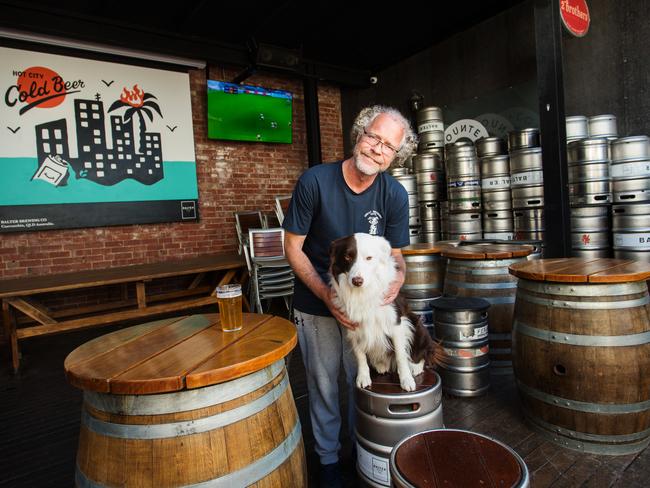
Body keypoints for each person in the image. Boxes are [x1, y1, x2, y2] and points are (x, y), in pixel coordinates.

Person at [282, 105, 417, 487]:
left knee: (363, 379)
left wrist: (398, 281)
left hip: (368, 309)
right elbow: (293, 247)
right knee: (324, 383)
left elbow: (397, 257)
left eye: (388, 146)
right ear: (360, 133)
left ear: (395, 156)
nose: (377, 148)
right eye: (374, 136)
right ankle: (327, 461)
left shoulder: (394, 194)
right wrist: (326, 295)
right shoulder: (315, 181)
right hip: (316, 303)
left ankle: (363, 450)